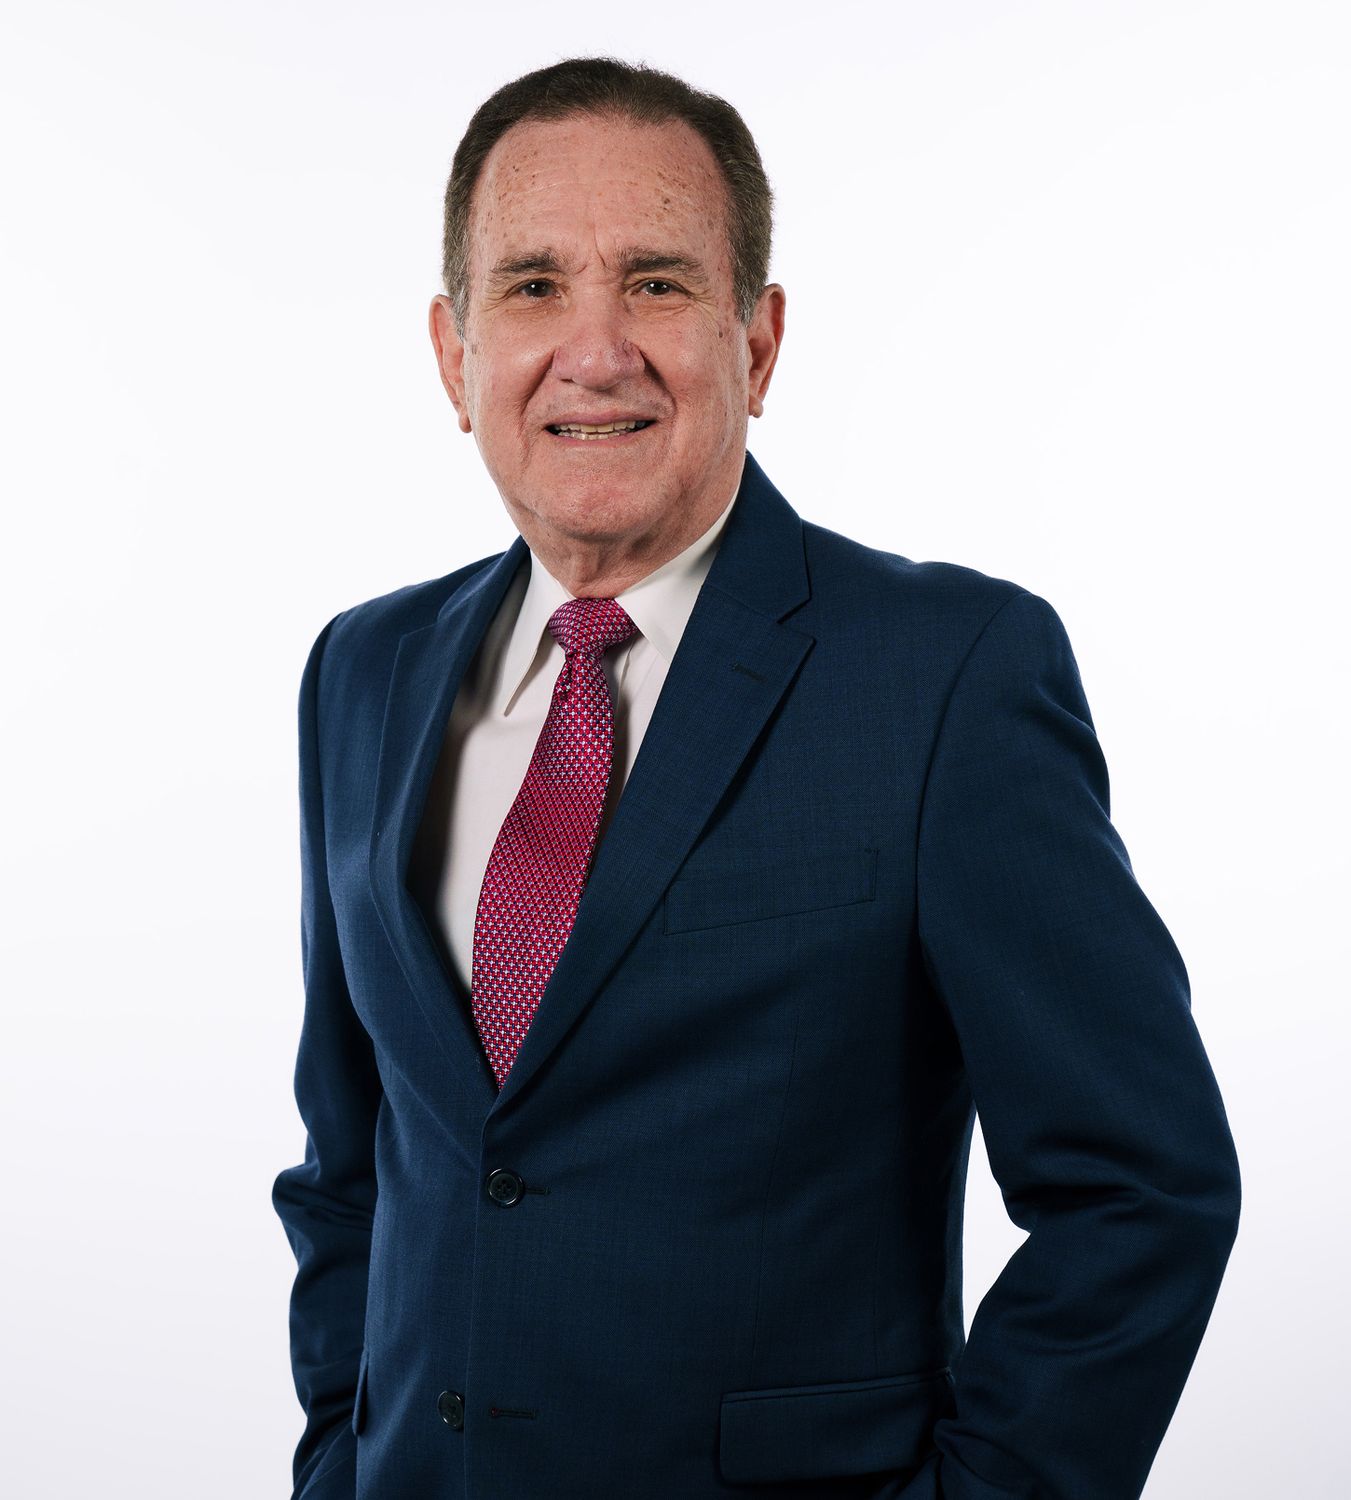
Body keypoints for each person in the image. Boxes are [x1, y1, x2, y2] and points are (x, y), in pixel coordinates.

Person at [272, 55, 1241, 1500]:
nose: (593, 350)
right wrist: (342, 1464)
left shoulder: (945, 675)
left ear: (760, 343)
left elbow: (1142, 1193)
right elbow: (354, 1168)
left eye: (656, 283)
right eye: (533, 286)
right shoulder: (362, 673)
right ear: (452, 353)